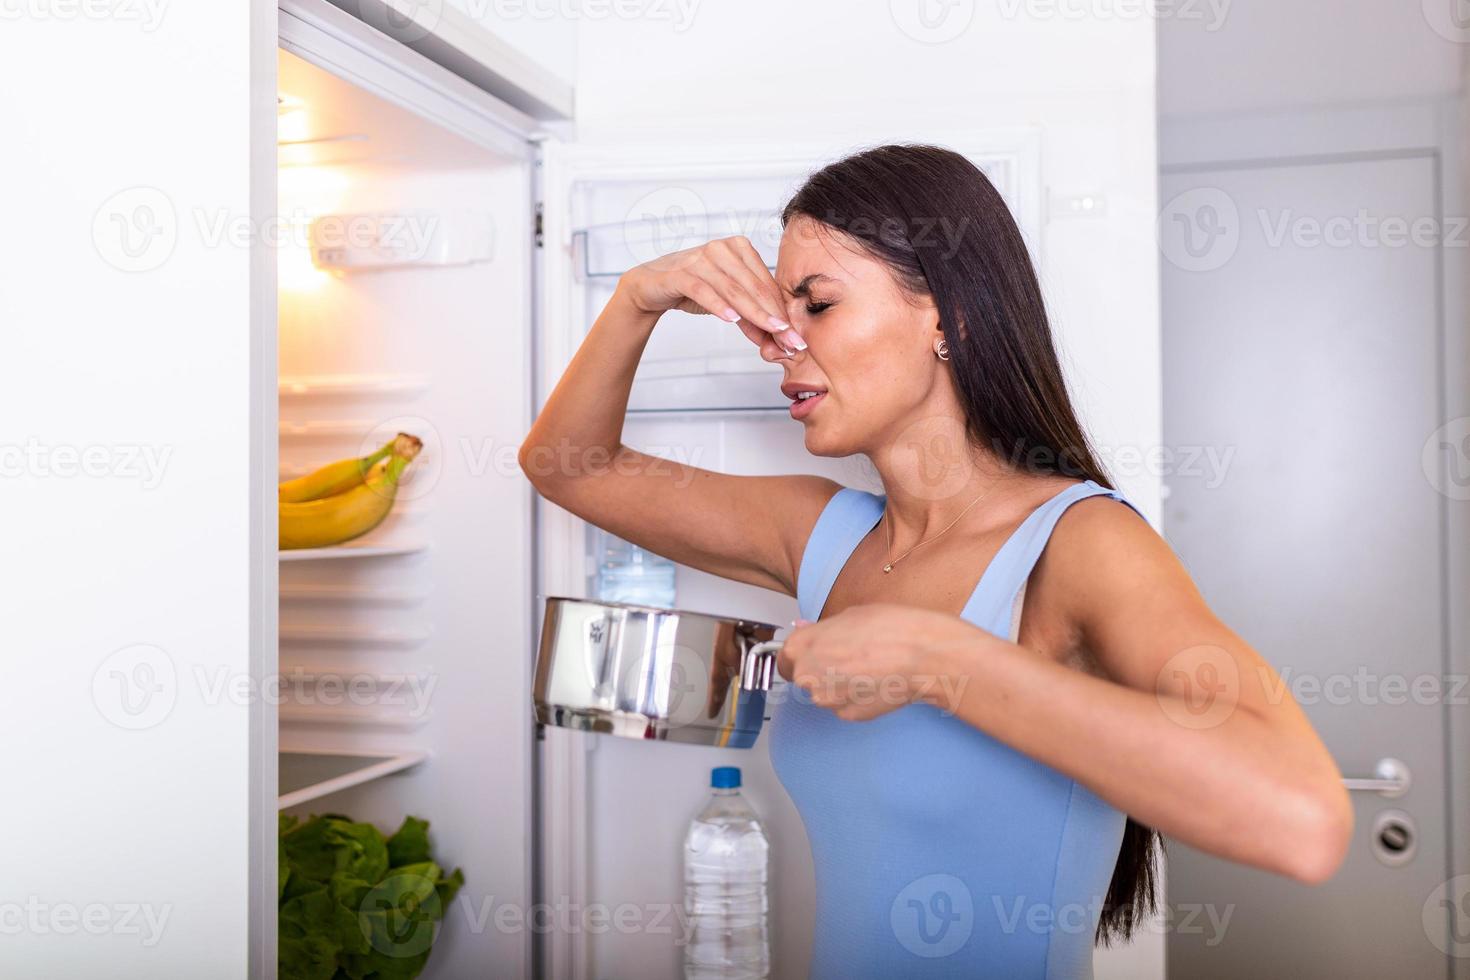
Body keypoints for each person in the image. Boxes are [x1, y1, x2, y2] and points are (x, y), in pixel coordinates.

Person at [517, 143, 1350, 978]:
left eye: (817, 305)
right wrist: (638, 297)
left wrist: (938, 658)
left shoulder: (1078, 543)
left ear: (946, 317)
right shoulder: (822, 535)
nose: (779, 342)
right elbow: (565, 465)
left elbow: (1303, 820)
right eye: (781, 309)